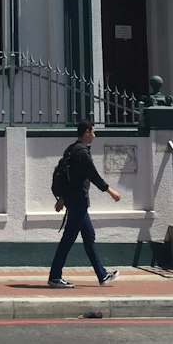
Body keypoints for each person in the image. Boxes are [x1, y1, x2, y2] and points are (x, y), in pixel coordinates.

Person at [48, 118, 122, 288]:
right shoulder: (81, 152)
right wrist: (111, 191)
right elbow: (93, 175)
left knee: (89, 236)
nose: (95, 135)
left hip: (74, 201)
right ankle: (54, 276)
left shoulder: (71, 149)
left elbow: (68, 178)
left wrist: (61, 198)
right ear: (87, 132)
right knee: (68, 239)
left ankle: (102, 275)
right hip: (78, 202)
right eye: (93, 132)